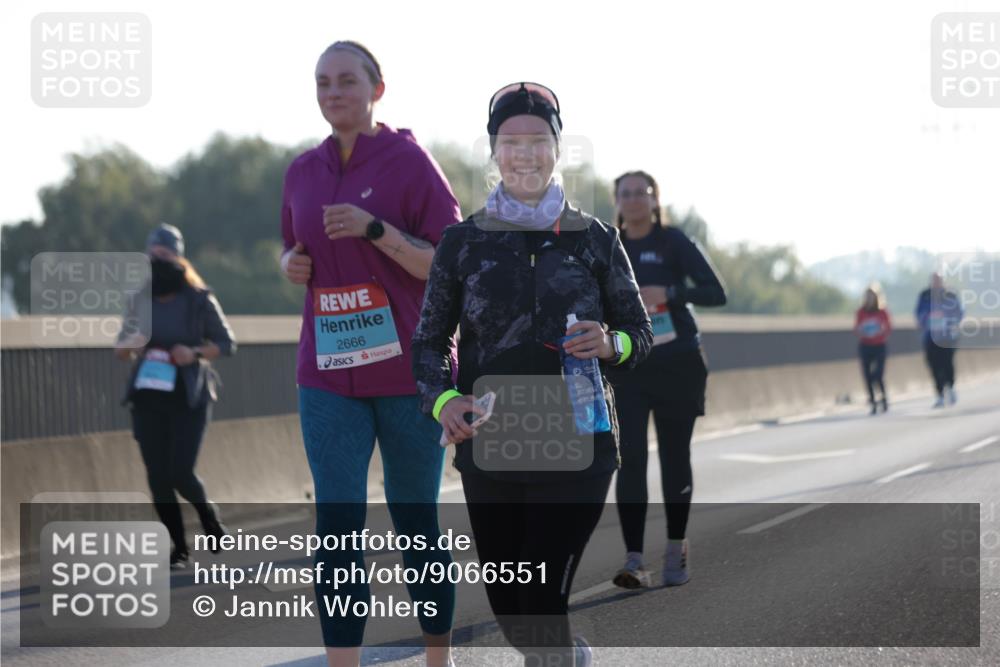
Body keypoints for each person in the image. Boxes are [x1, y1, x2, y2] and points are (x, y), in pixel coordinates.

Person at [412, 82, 653, 667]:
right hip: (493, 446)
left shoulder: (596, 239)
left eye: (538, 140)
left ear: (557, 149)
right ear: (494, 152)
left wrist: (611, 343)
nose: (525, 153)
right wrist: (444, 401)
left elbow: (639, 335)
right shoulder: (462, 243)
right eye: (511, 141)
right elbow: (429, 343)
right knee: (512, 608)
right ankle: (568, 657)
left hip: (579, 441)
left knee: (542, 599)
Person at [279, 40, 461, 667]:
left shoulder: (411, 163)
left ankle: (438, 658)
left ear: (376, 89)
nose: (333, 93)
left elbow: (445, 262)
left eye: (347, 81)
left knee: (416, 525)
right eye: (323, 82)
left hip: (409, 373)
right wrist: (288, 262)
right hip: (328, 375)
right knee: (337, 530)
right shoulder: (302, 171)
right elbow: (290, 245)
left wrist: (373, 228)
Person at [604, 171, 727, 590]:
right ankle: (634, 560)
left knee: (675, 458)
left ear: (655, 200)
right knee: (630, 459)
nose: (633, 200)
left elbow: (716, 292)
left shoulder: (673, 242)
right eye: (625, 193)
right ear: (617, 201)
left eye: (642, 193)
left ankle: (676, 547)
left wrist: (671, 293)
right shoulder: (608, 243)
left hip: (678, 363)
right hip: (628, 367)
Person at [115, 223, 236, 568]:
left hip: (188, 396)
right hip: (148, 396)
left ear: (179, 258)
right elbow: (120, 349)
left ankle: (208, 515)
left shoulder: (199, 298)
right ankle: (179, 547)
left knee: (181, 472)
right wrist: (133, 344)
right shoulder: (138, 299)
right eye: (153, 256)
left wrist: (193, 352)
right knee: (157, 476)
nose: (158, 262)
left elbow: (227, 344)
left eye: (165, 255)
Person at [915, 272, 964, 408]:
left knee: (947, 363)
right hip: (930, 337)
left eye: (938, 280)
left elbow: (959, 312)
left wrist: (948, 320)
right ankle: (940, 395)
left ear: (943, 281)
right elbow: (918, 313)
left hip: (947, 337)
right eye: (934, 280)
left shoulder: (950, 295)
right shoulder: (924, 295)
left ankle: (951, 387)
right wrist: (927, 318)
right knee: (934, 366)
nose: (936, 282)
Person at [854, 284, 891, 414]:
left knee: (878, 374)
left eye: (872, 296)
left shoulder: (882, 312)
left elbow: (888, 328)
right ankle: (873, 400)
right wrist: (862, 330)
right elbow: (856, 328)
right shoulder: (861, 312)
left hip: (879, 345)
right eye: (868, 296)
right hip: (865, 345)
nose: (870, 299)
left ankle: (883, 397)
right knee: (867, 375)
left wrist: (881, 331)